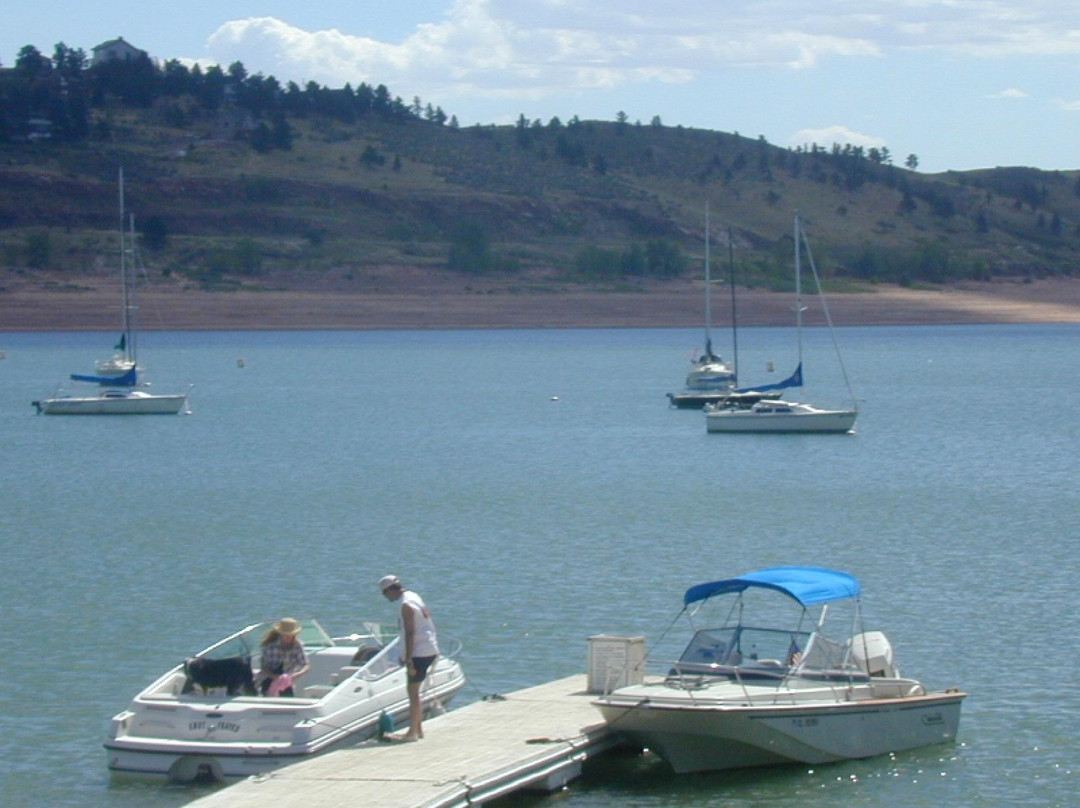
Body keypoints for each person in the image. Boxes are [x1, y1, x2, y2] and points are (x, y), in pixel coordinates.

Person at [379, 574, 438, 741]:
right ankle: (418, 729)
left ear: (391, 590)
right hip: (430, 648)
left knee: (413, 693)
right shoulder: (414, 596)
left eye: (385, 593)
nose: (386, 597)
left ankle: (411, 733)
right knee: (415, 692)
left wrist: (409, 659)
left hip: (419, 653)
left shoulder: (406, 605)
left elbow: (410, 632)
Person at [256, 617, 310, 697]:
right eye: (285, 634)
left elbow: (306, 665)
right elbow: (264, 667)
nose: (287, 636)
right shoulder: (270, 646)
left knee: (288, 699)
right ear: (280, 633)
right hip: (268, 678)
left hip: (287, 680)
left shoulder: (297, 645)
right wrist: (275, 677)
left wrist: (295, 675)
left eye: (290, 634)